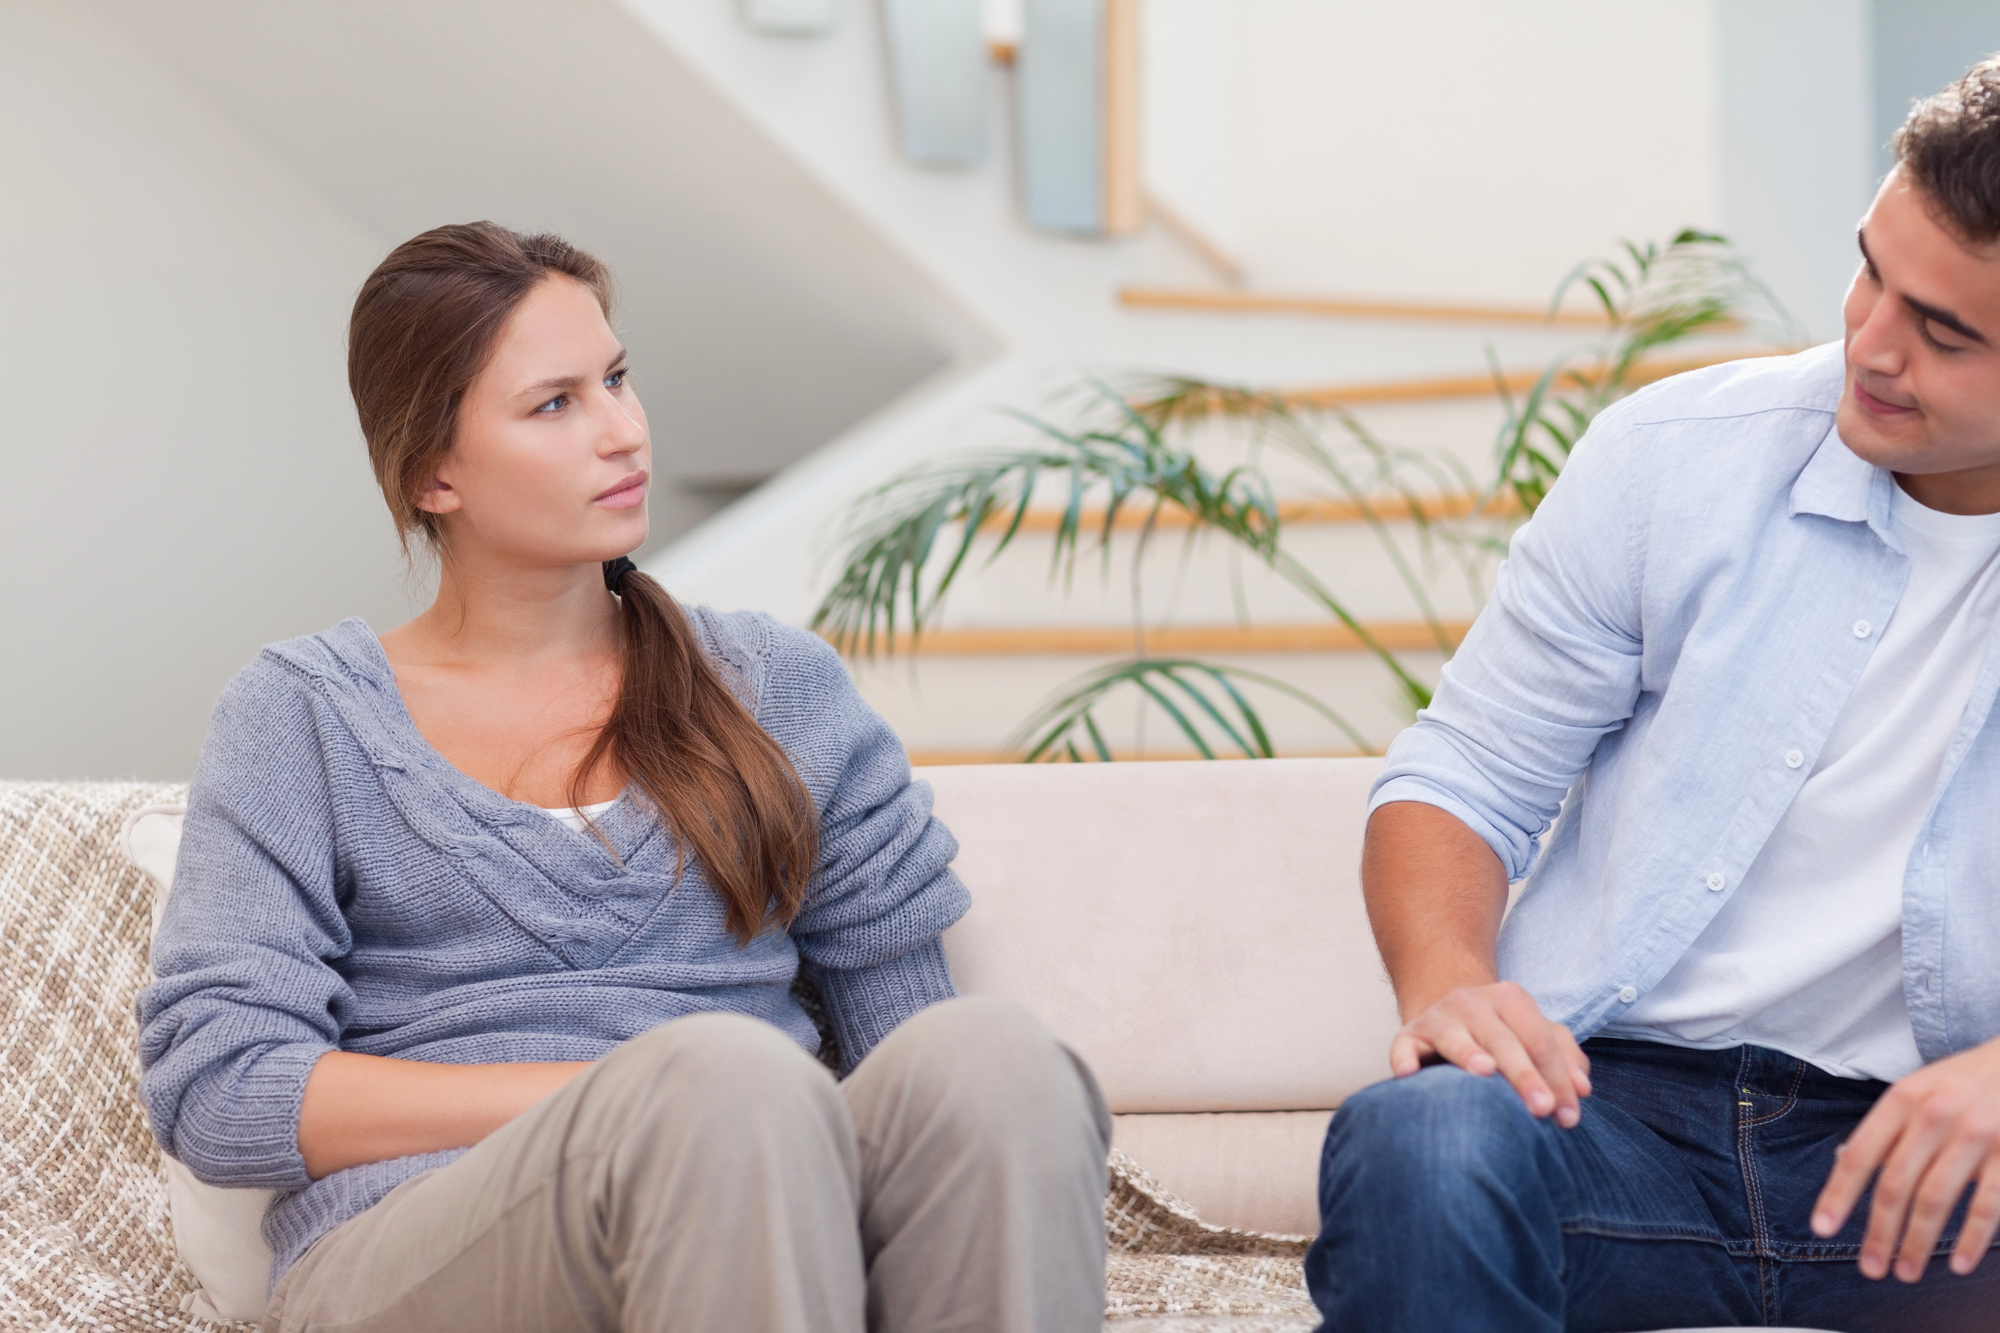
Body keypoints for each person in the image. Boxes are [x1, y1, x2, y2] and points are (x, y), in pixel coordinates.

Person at [136, 222, 1112, 1333]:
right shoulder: (303, 714)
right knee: (717, 1082)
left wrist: (720, 1110)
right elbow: (223, 1089)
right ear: (432, 473)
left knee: (996, 1059)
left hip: (754, 1196)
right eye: (555, 404)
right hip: (413, 1243)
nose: (622, 433)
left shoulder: (777, 688)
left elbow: (910, 1053)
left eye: (615, 378)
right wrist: (627, 1097)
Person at [1307, 59, 2000, 1333]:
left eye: (1942, 331)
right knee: (1421, 1141)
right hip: (1608, 1112)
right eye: (1868, 272)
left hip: (1936, 1165)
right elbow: (1460, 774)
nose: (1868, 341)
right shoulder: (1674, 459)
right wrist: (1446, 980)